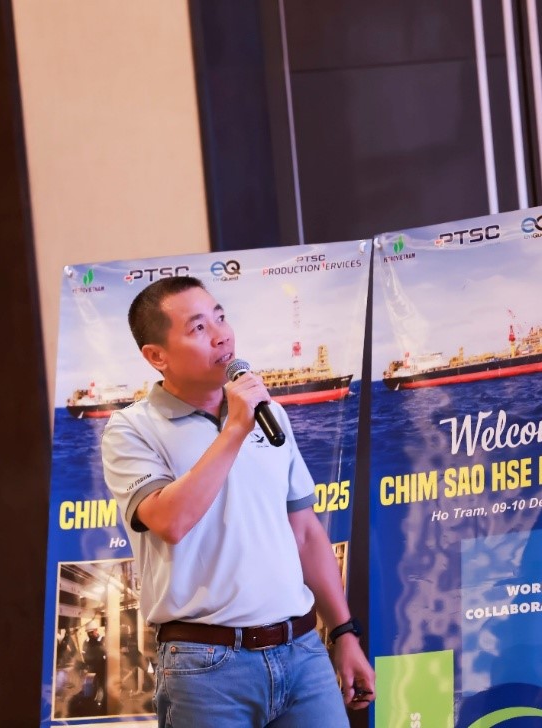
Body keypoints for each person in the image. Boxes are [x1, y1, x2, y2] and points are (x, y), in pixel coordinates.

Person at [102, 276, 375, 727]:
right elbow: (171, 521)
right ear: (156, 356)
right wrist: (235, 430)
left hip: (303, 651)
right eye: (198, 327)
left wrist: (343, 633)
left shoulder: (272, 414)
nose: (221, 335)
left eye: (221, 317)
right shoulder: (132, 429)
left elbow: (305, 534)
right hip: (205, 667)